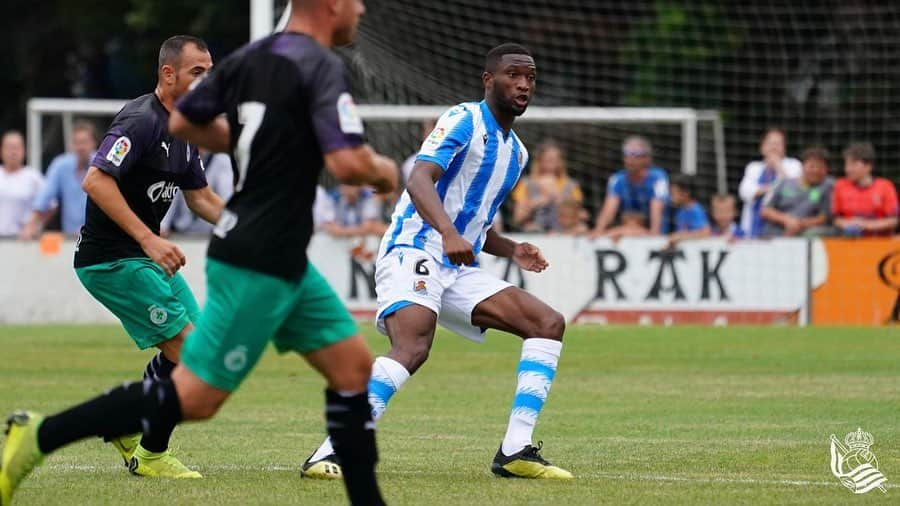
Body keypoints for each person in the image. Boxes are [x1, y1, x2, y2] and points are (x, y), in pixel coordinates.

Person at [301, 42, 573, 482]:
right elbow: (419, 178)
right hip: (413, 248)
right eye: (513, 75)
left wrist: (511, 250)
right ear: (489, 80)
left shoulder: (517, 153)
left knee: (547, 323)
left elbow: (476, 225)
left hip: (455, 265)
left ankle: (515, 449)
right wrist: (446, 232)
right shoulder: (463, 119)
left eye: (530, 77)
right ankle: (329, 451)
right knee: (412, 347)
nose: (524, 84)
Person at [0, 35, 223, 498]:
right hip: (113, 259)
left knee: (200, 353)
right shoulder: (141, 121)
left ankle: (127, 426)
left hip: (143, 256)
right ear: (169, 75)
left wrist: (251, 226)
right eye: (197, 71)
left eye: (210, 71)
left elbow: (200, 197)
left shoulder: (186, 128)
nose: (208, 80)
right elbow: (95, 180)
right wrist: (149, 237)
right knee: (195, 357)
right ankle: (151, 455)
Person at [21, 121, 98, 239]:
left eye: (84, 142)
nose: (81, 147)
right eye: (77, 143)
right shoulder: (61, 165)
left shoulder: (103, 165)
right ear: (72, 144)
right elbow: (45, 195)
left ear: (94, 143)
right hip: (70, 237)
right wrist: (32, 224)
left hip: (97, 235)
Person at [592, 135, 669, 236]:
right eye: (627, 154)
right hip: (627, 231)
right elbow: (608, 212)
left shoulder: (658, 178)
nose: (631, 159)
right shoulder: (617, 179)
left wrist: (654, 237)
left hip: (655, 234)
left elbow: (657, 211)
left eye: (637, 155)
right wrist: (598, 231)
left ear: (647, 158)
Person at [738, 127, 802, 238]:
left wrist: (778, 166)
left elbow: (791, 191)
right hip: (753, 227)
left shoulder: (794, 165)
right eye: (771, 143)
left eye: (778, 144)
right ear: (762, 147)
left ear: (784, 148)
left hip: (783, 227)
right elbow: (745, 192)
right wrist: (773, 188)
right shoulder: (753, 167)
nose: (774, 147)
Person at [760, 146, 834, 238]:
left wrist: (800, 224)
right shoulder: (782, 183)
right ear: (803, 166)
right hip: (773, 234)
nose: (816, 170)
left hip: (803, 236)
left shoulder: (827, 186)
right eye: (812, 166)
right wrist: (787, 220)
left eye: (820, 167)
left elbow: (823, 217)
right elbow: (765, 211)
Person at [511, 139, 584, 232]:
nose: (552, 161)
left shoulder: (572, 185)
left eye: (555, 158)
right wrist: (535, 203)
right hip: (535, 234)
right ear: (539, 160)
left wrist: (557, 197)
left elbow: (580, 215)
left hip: (564, 234)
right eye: (548, 158)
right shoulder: (526, 183)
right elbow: (517, 218)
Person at [831, 142, 899, 237]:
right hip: (849, 240)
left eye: (853, 164)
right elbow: (835, 219)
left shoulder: (885, 186)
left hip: (881, 241)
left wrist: (865, 225)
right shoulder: (840, 186)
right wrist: (848, 224)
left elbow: (893, 220)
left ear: (868, 166)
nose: (847, 169)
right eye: (846, 164)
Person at [161, 152, 235, 235]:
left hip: (209, 232)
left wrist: (232, 225)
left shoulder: (222, 159)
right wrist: (162, 226)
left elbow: (226, 197)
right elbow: (170, 193)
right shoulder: (177, 153)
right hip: (178, 232)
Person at [0, 131, 43, 237]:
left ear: (24, 151)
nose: (13, 152)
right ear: (1, 151)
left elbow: (51, 204)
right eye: (9, 147)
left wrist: (34, 225)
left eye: (16, 148)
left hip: (22, 240)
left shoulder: (33, 177)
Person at [319, 184, 387, 237]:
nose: (350, 188)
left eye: (353, 183)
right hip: (339, 244)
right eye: (348, 183)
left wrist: (341, 231)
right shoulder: (334, 197)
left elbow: (368, 227)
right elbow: (328, 225)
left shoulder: (369, 197)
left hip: (362, 243)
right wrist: (358, 230)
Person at [666, 175, 710, 246]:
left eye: (673, 193)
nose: (671, 197)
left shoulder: (695, 210)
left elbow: (705, 232)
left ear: (685, 193)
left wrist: (680, 236)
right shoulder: (680, 211)